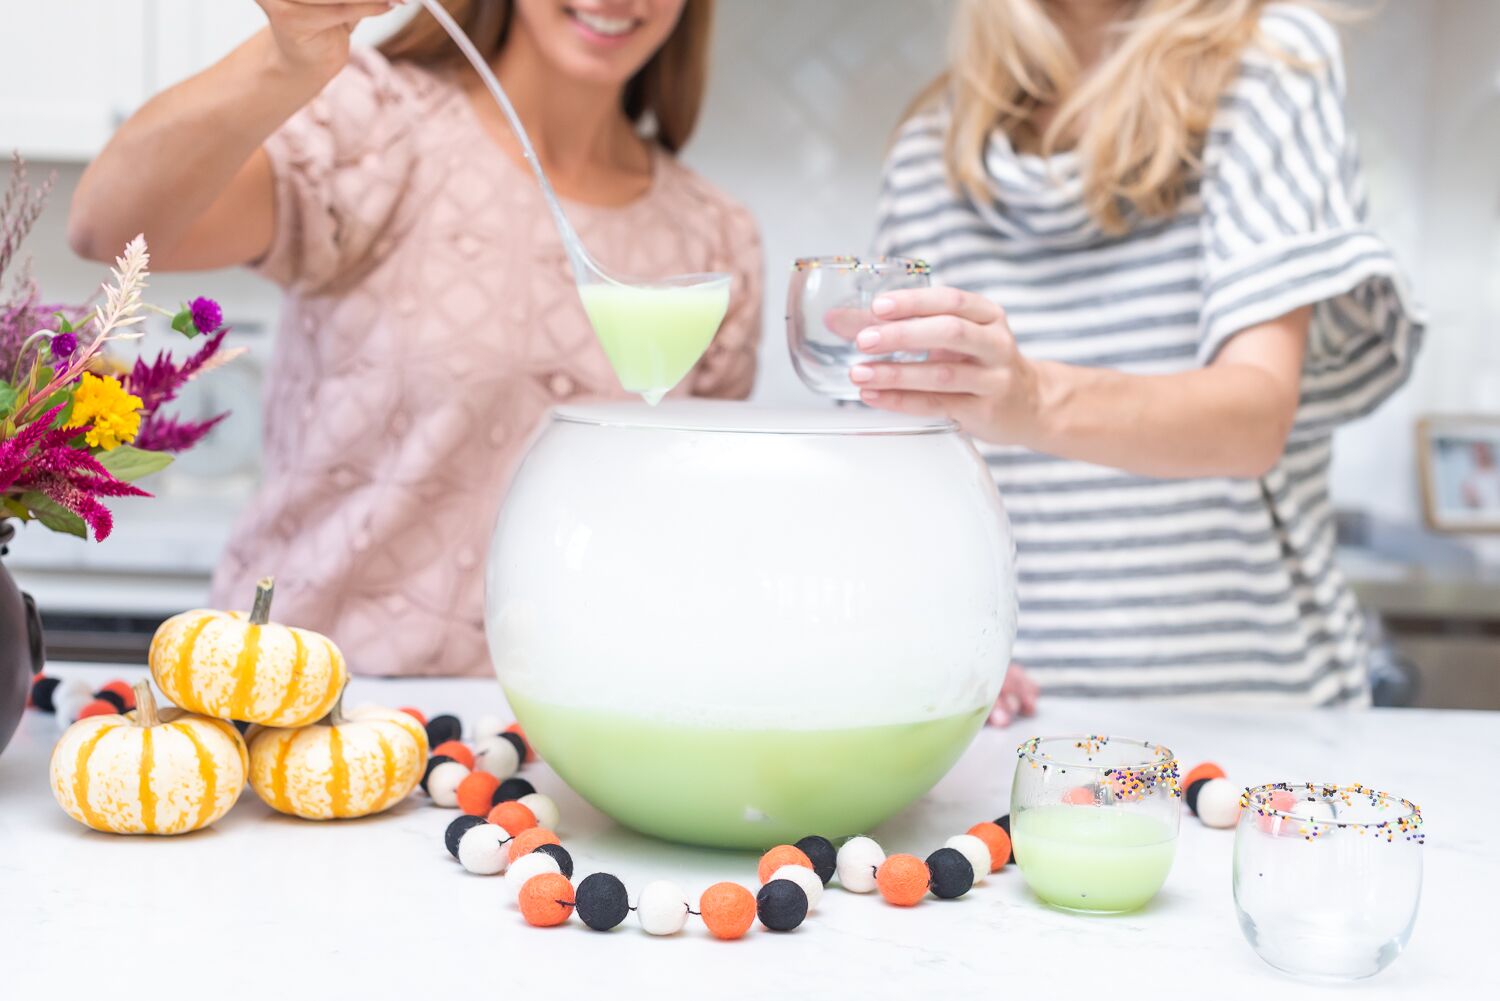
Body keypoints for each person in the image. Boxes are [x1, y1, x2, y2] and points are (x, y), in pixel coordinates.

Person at [68, 0, 763, 677]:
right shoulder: (377, 127)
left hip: (564, 735)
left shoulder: (714, 240)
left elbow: (694, 533)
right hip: (305, 699)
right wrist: (283, 61)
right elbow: (110, 227)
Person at [863, 0, 1421, 705]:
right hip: (1014, 733)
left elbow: (1253, 420)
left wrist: (1033, 399)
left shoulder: (1267, 64)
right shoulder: (929, 150)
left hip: (1251, 713)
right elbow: (909, 472)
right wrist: (939, 640)